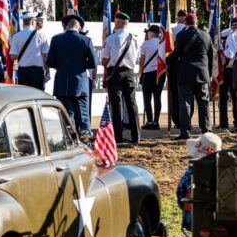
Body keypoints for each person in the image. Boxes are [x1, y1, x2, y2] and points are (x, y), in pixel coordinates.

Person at [47, 14, 97, 136]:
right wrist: (80, 65)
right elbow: (93, 63)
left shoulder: (56, 39)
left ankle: (70, 141)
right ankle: (85, 143)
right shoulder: (86, 40)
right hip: (80, 82)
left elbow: (50, 62)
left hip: (62, 82)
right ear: (79, 28)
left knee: (67, 116)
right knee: (83, 115)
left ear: (66, 26)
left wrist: (63, 65)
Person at [169, 13, 213, 139]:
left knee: (185, 104)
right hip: (202, 73)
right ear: (196, 22)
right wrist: (209, 73)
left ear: (185, 23)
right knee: (204, 103)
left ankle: (185, 132)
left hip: (185, 73)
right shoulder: (206, 35)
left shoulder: (181, 35)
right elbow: (210, 56)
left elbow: (177, 53)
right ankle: (206, 130)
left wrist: (167, 60)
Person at [102, 12, 141, 145]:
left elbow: (104, 60)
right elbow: (137, 56)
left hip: (115, 72)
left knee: (116, 104)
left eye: (115, 21)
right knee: (132, 104)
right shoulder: (134, 38)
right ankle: (136, 136)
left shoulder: (111, 39)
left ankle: (118, 137)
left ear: (118, 23)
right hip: (129, 72)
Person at [9, 12, 48, 90]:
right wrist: (47, 72)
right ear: (33, 22)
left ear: (23, 22)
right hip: (37, 72)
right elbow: (45, 56)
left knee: (24, 97)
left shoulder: (16, 36)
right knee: (38, 96)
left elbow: (13, 57)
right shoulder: (41, 35)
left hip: (23, 72)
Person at [139, 25, 165, 130]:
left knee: (147, 98)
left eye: (148, 32)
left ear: (152, 33)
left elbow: (142, 60)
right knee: (157, 97)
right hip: (160, 73)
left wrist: (141, 72)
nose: (147, 34)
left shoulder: (145, 44)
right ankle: (156, 121)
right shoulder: (162, 43)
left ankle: (150, 121)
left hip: (148, 73)